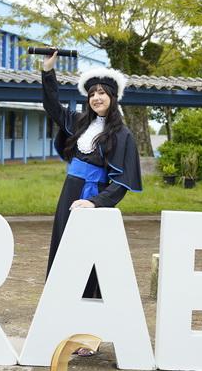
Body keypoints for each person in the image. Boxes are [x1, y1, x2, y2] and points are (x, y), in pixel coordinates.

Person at [41, 50, 143, 305]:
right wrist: (48, 71)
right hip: (70, 192)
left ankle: (88, 310)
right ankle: (61, 305)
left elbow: (121, 183)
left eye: (101, 92)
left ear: (112, 97)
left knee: (89, 253)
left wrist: (95, 202)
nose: (96, 97)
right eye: (92, 94)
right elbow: (52, 106)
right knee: (64, 246)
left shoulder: (122, 135)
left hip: (93, 197)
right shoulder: (78, 122)